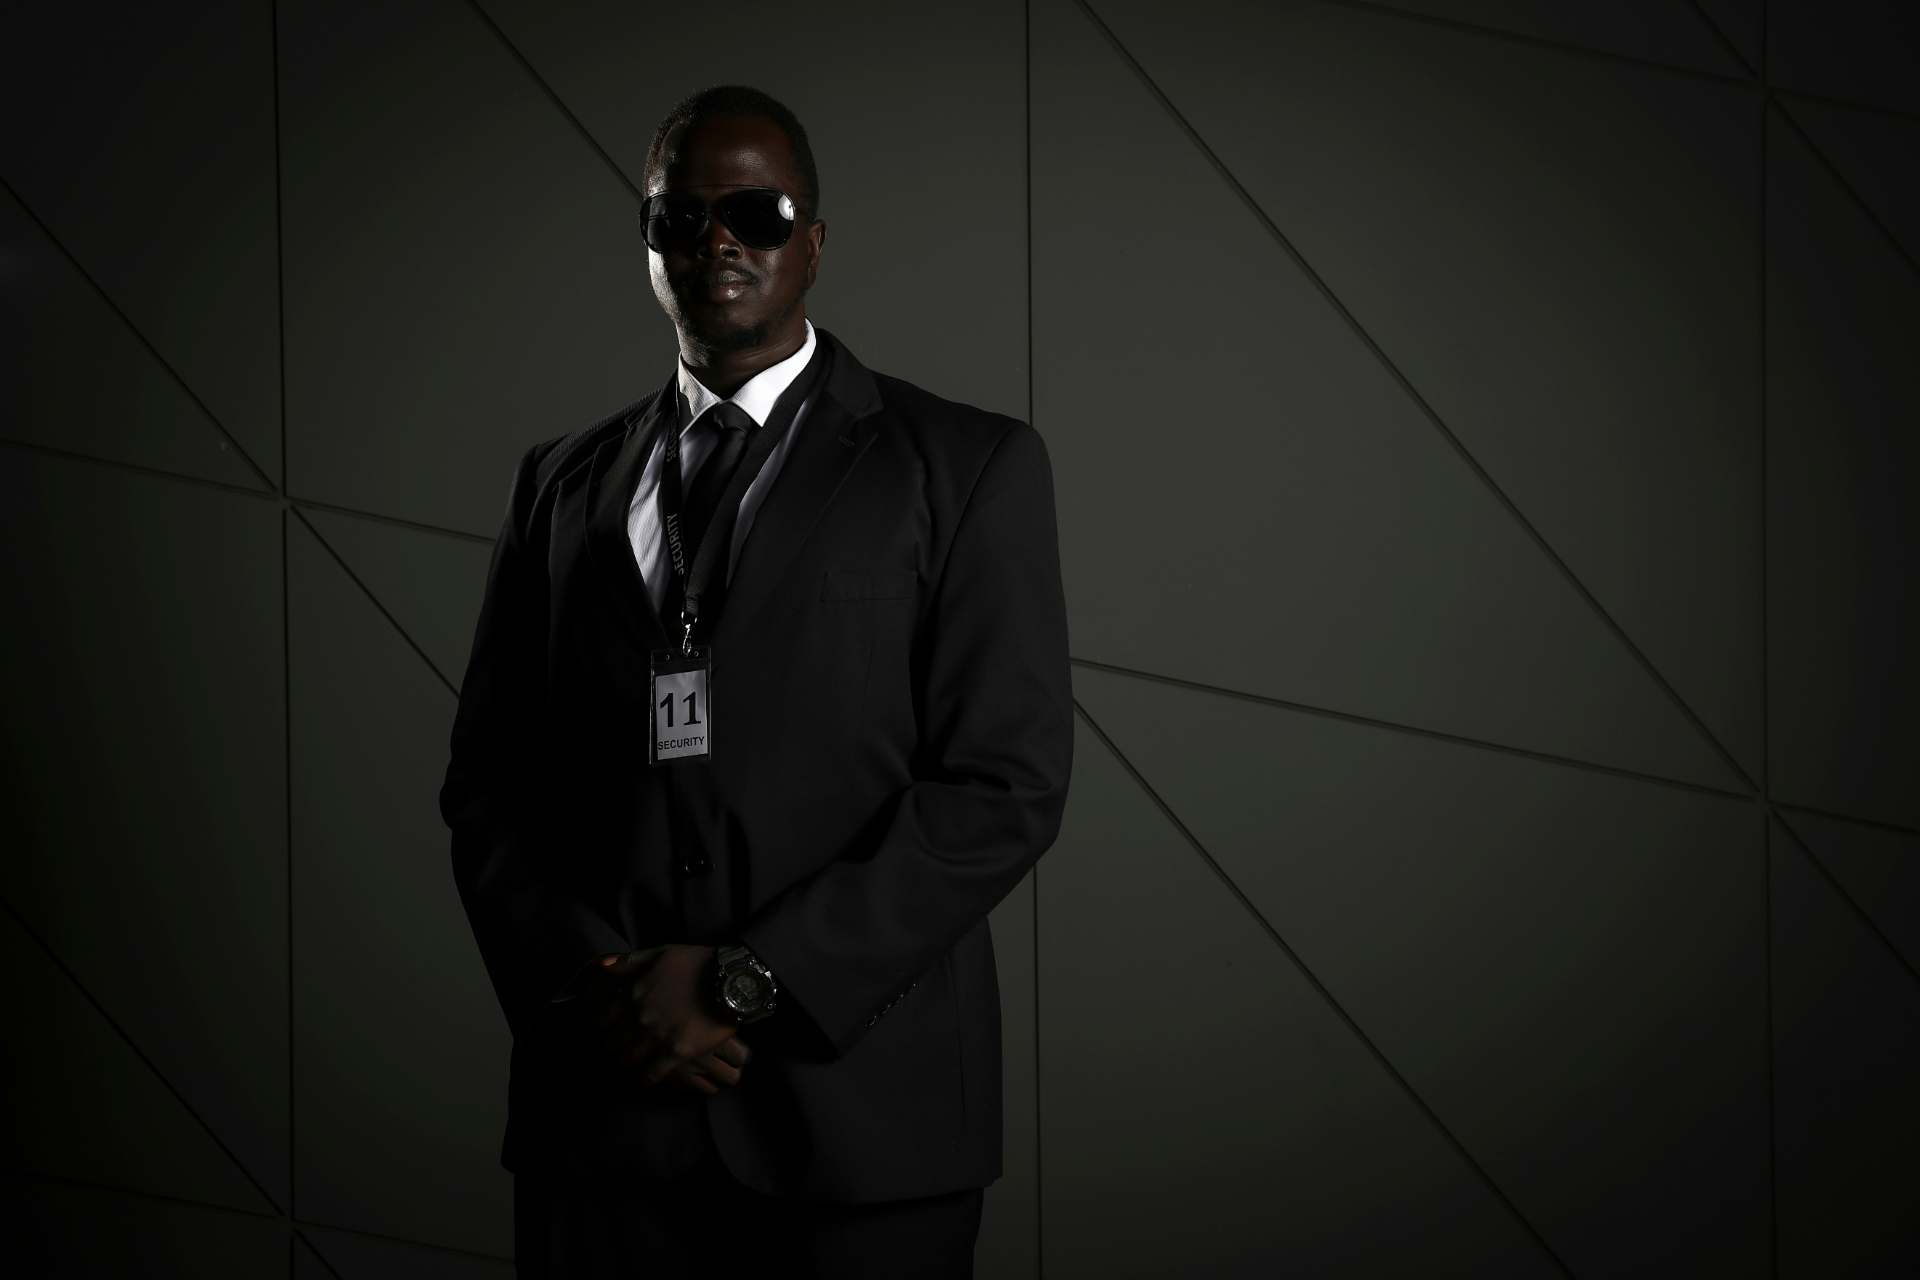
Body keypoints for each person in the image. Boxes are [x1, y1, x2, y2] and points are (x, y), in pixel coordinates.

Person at [438, 83, 1073, 1278]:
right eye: (680, 217)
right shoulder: (557, 483)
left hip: (862, 1130)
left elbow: (1005, 783)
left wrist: (748, 981)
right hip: (604, 1124)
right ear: (648, 243)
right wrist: (601, 991)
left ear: (813, 242)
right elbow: (490, 786)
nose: (718, 240)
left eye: (758, 213)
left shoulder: (966, 466)